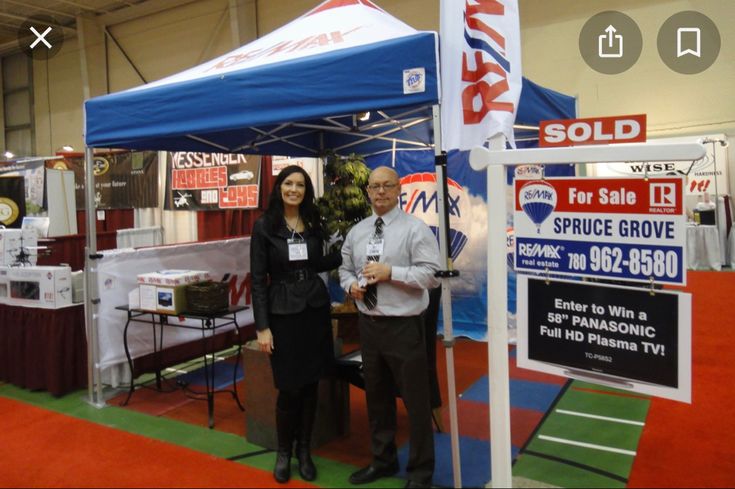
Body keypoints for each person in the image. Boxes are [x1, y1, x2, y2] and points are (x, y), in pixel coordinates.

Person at [339, 166, 441, 488]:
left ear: (399, 190)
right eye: (375, 186)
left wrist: (391, 272)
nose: (380, 192)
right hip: (368, 326)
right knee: (377, 398)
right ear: (368, 191)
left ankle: (421, 473)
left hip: (405, 327)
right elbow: (344, 268)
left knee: (416, 402)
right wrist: (351, 285)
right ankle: (383, 461)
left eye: (387, 186)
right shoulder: (357, 232)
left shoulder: (416, 230)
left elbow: (432, 275)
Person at [250, 165, 342, 484]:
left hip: (314, 308)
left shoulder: (314, 222)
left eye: (300, 185)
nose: (294, 189)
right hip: (282, 312)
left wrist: (350, 253)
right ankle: (283, 452)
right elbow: (258, 281)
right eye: (288, 183)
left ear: (307, 190)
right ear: (278, 188)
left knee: (312, 384)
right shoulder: (264, 226)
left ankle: (304, 451)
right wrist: (262, 326)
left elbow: (317, 263)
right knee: (289, 387)